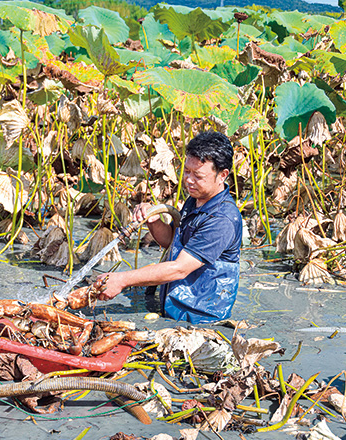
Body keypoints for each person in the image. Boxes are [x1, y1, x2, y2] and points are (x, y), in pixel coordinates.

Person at [97, 131, 242, 324]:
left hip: (201, 318)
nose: (189, 180)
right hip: (176, 307)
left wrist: (122, 280)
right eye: (187, 171)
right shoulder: (196, 200)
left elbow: (179, 268)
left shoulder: (222, 219)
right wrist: (154, 221)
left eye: (197, 175)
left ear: (222, 175)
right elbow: (171, 241)